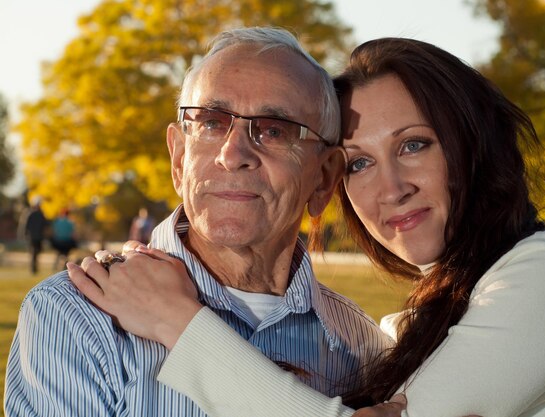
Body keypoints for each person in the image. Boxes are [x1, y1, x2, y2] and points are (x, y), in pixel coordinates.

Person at [66, 37, 545, 417]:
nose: (390, 187)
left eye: (414, 145)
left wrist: (177, 321)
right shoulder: (396, 331)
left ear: (473, 146)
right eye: (359, 162)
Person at [4, 28, 392, 417]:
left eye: (274, 130)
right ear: (178, 158)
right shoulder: (74, 317)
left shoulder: (364, 349)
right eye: (210, 123)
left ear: (323, 178)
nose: (233, 153)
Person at [23, 196, 48, 275]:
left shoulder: (41, 214)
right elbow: (25, 225)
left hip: (39, 237)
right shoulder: (30, 213)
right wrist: (25, 234)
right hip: (32, 237)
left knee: (37, 252)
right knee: (34, 252)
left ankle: (34, 268)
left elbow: (45, 225)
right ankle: (33, 269)